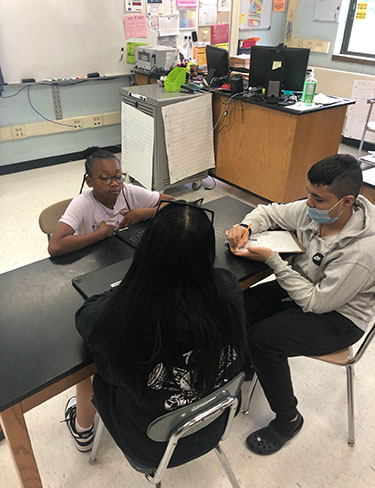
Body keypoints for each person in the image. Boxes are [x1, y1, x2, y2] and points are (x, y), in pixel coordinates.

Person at [65, 201, 247, 465]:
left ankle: (83, 430)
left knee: (86, 369)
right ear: (208, 253)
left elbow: (84, 316)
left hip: (149, 446)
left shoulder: (124, 317)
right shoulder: (228, 288)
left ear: (146, 255)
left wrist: (129, 287)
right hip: (213, 425)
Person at [227, 154, 375, 455]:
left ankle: (288, 419)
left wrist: (273, 261)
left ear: (346, 202)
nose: (308, 203)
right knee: (235, 307)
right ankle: (249, 366)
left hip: (339, 317)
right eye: (308, 193)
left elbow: (315, 302)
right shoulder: (320, 210)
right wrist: (246, 226)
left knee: (264, 339)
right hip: (304, 289)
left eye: (318, 199)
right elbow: (271, 212)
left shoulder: (362, 253)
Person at [48, 147, 173, 256]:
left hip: (126, 252)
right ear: (89, 181)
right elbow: (55, 247)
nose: (114, 184)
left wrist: (146, 212)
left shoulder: (128, 191)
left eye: (118, 177)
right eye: (105, 178)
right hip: (94, 257)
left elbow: (175, 203)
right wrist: (101, 234)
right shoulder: (82, 203)